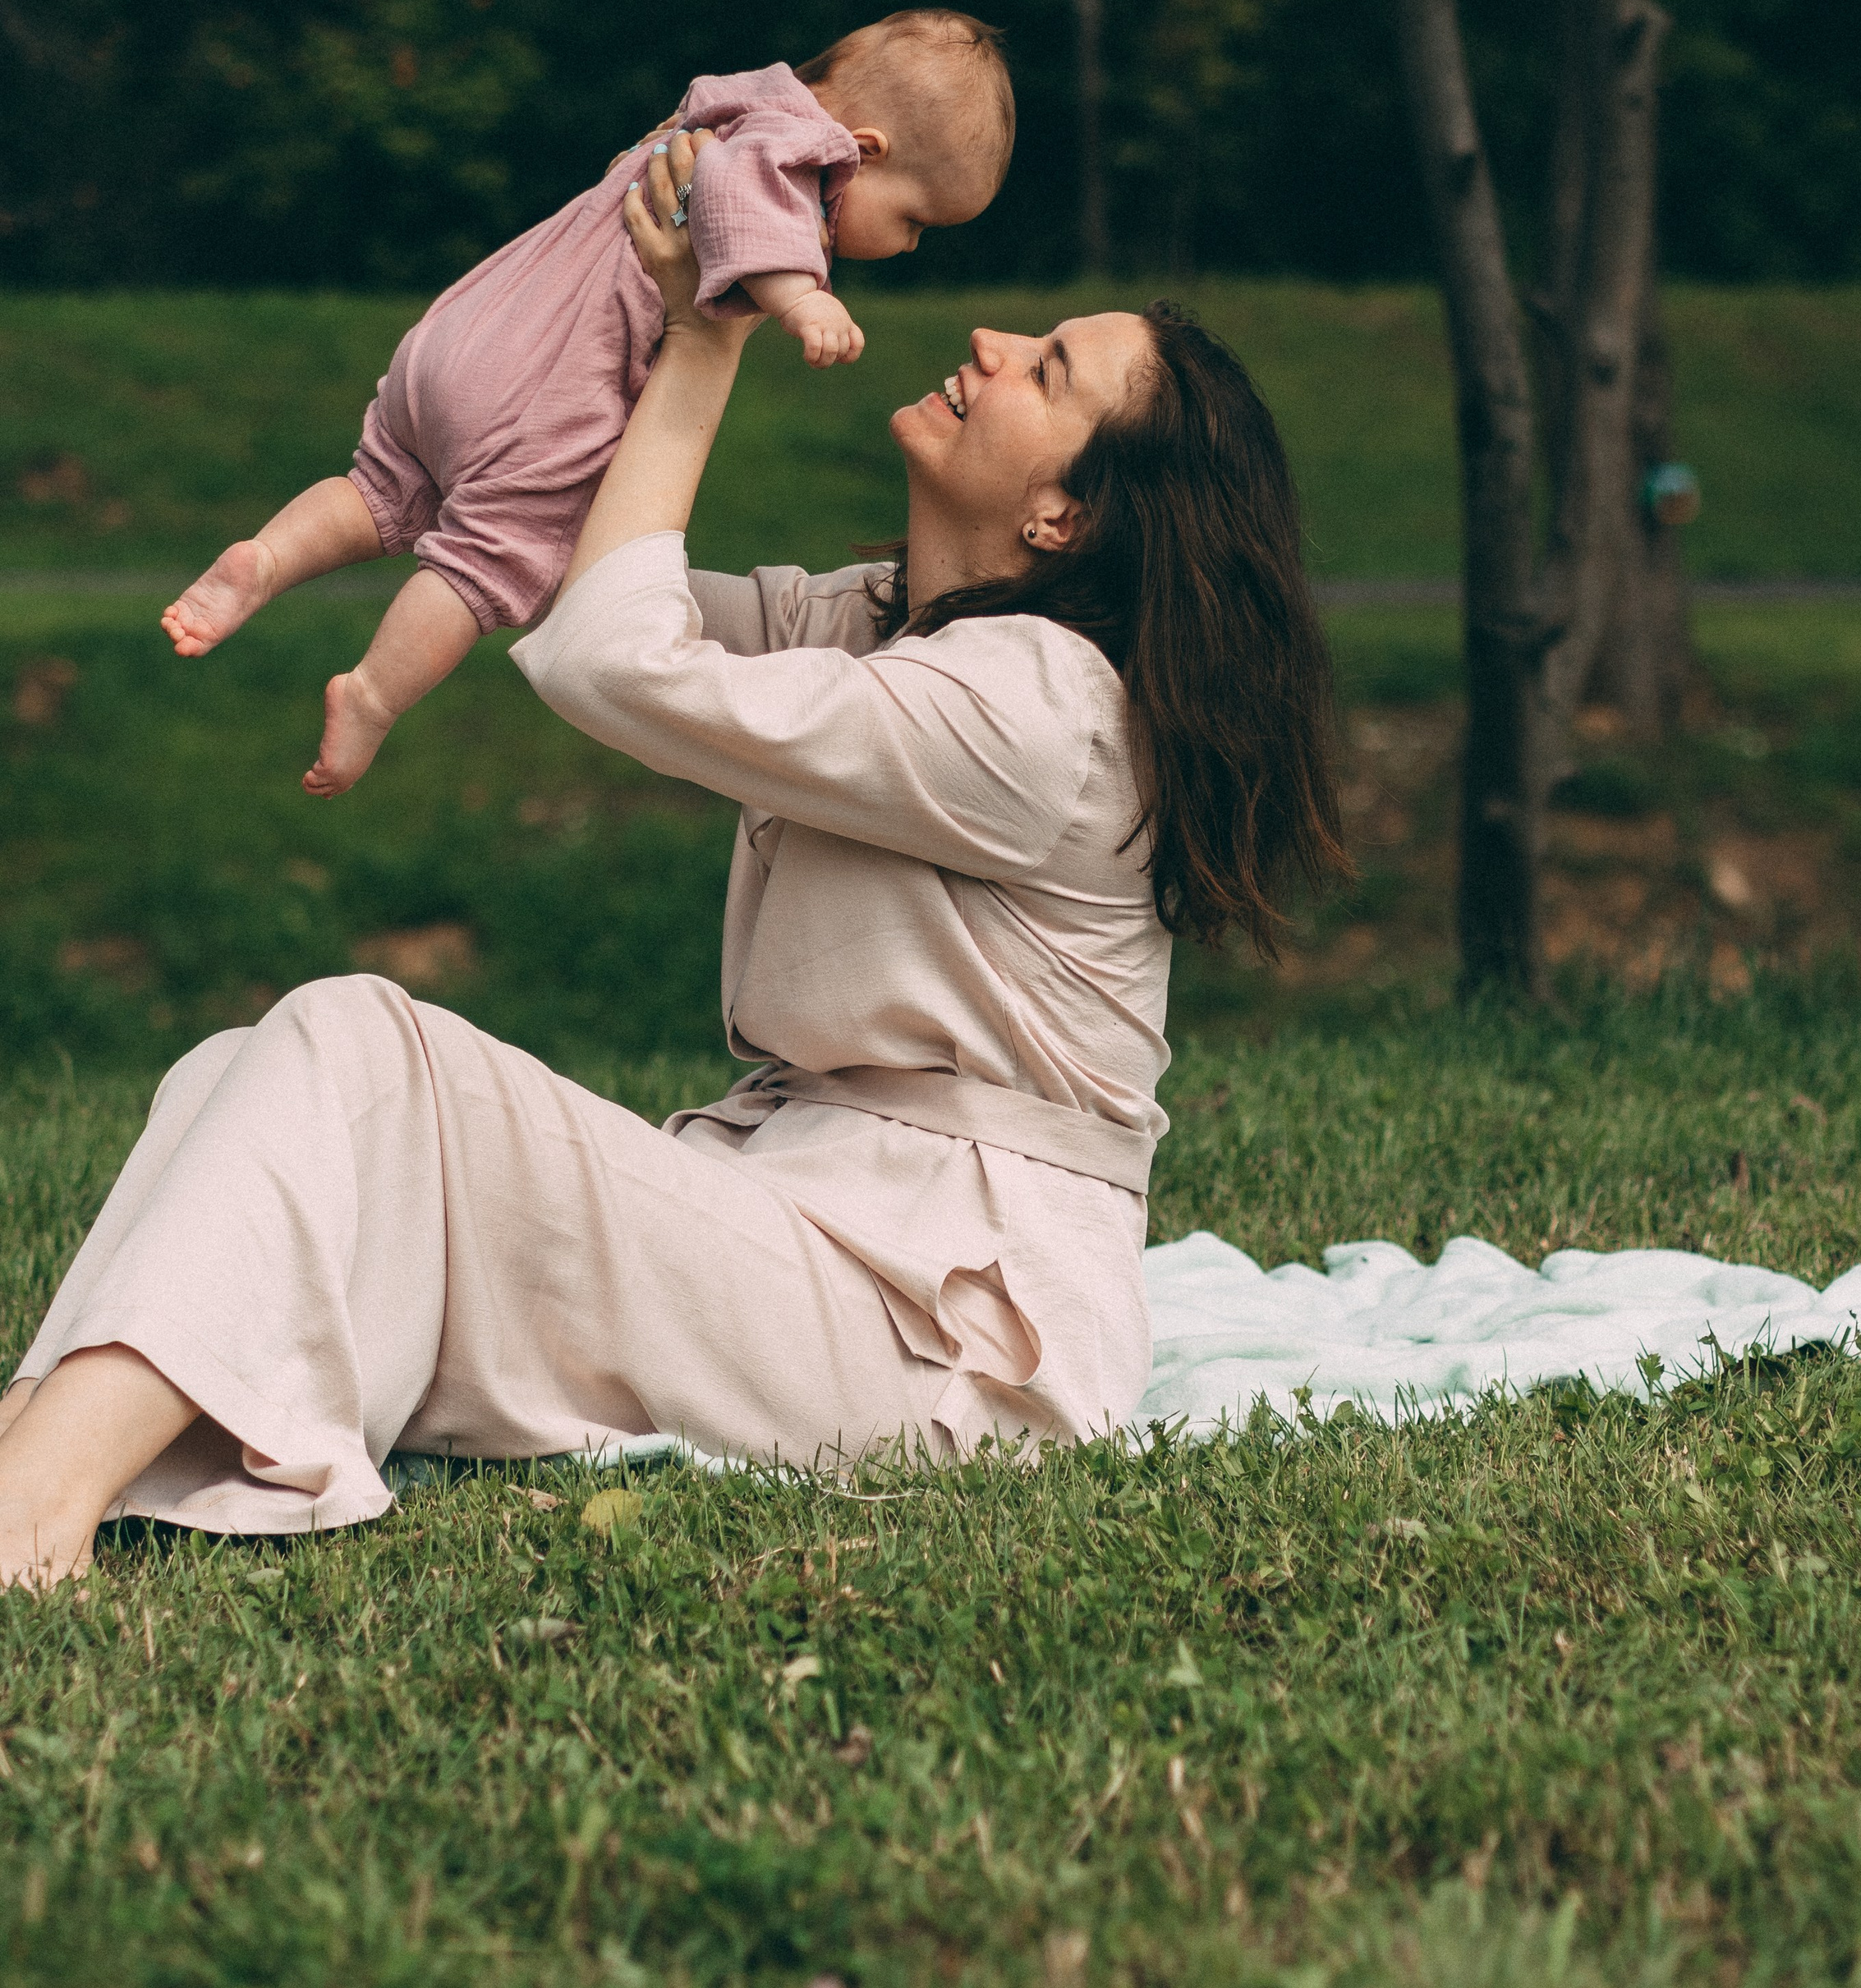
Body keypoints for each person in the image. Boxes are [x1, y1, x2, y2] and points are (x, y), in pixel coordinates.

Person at [0, 134, 1346, 1590]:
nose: (992, 340)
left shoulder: (1042, 706)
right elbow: (583, 584)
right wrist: (614, 315)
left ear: (1064, 513)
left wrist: (709, 342)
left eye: (1051, 370)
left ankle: (30, 1515)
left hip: (943, 1351)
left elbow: (607, 655)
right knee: (242, 1071)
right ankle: (42, 1437)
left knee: (359, 1043)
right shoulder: (885, 625)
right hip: (801, 1240)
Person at [160, 8, 1013, 797]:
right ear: (863, 149)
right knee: (495, 555)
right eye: (915, 220)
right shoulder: (793, 150)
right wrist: (802, 300)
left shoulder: (731, 104)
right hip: (543, 382)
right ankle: (376, 692)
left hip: (474, 325)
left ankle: (264, 561)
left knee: (384, 487)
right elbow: (742, 208)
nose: (904, 245)